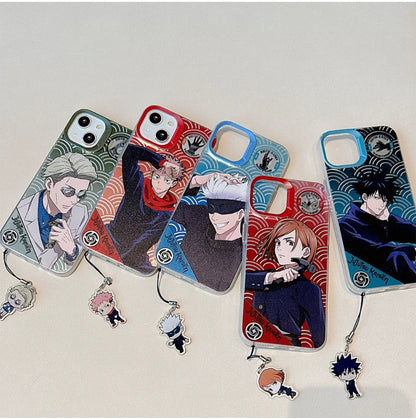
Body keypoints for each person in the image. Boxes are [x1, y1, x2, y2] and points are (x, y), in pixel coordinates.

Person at [245, 219, 325, 348]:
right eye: (278, 242)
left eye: (289, 242)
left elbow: (319, 335)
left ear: (305, 252)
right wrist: (274, 276)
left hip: (285, 344)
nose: (280, 248)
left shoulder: (309, 289)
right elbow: (243, 281)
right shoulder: (268, 277)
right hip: (253, 337)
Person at [106, 144, 185, 273]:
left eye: (166, 180)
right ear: (152, 174)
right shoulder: (137, 185)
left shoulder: (168, 214)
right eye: (157, 177)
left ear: (173, 183)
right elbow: (130, 151)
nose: (159, 183)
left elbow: (144, 242)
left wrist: (122, 259)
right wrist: (161, 161)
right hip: (110, 237)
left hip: (134, 255)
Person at [17, 153, 97, 269]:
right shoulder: (21, 210)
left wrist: (72, 250)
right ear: (49, 184)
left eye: (81, 194)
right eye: (68, 192)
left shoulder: (80, 212)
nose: (74, 200)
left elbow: (75, 260)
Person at [172, 172, 247, 292]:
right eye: (212, 208)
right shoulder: (200, 216)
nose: (215, 217)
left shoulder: (240, 256)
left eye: (224, 209)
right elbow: (165, 202)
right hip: (169, 281)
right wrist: (196, 181)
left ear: (240, 213)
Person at [339, 170, 416, 283]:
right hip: (368, 275)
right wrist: (411, 250)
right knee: (397, 256)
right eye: (377, 198)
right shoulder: (345, 225)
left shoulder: (380, 221)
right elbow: (372, 251)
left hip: (386, 277)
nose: (382, 204)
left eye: (385, 200)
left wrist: (390, 219)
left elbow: (411, 233)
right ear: (365, 197)